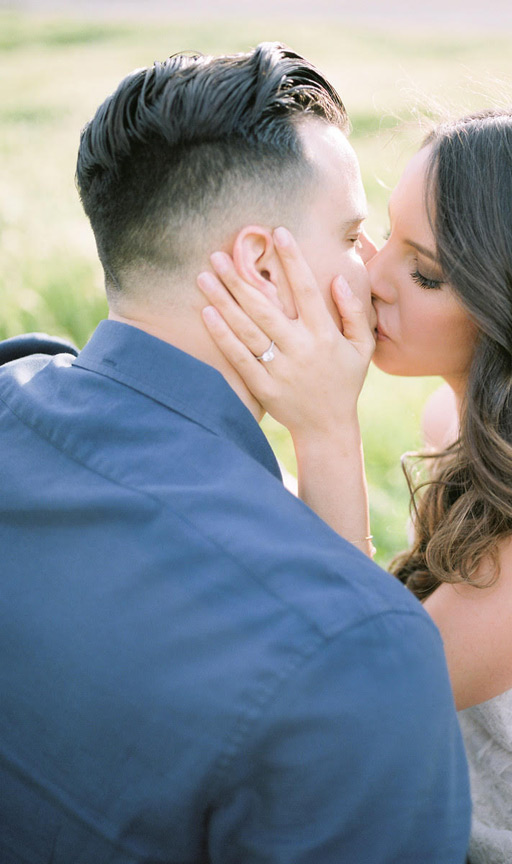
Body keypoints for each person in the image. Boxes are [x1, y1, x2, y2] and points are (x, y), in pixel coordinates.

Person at [0, 46, 472, 863]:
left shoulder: (15, 378)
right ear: (262, 266)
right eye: (353, 234)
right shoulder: (364, 650)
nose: (371, 269)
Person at [197, 103, 512, 862]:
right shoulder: (455, 421)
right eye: (379, 238)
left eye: (426, 272)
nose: (371, 278)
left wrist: (326, 432)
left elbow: (377, 694)